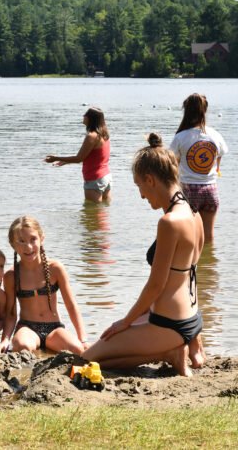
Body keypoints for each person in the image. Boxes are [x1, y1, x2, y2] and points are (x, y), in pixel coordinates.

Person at [83, 134, 205, 376]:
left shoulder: (169, 222)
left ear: (150, 180)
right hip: (190, 318)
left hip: (169, 325)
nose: (141, 195)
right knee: (107, 340)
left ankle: (168, 352)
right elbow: (190, 275)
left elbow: (156, 286)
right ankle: (175, 347)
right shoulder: (194, 213)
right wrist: (194, 333)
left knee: (85, 360)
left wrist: (126, 322)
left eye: (139, 186)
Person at [0, 216, 87, 354]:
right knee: (22, 346)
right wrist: (5, 339)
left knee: (77, 350)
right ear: (12, 245)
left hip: (54, 328)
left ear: (42, 238)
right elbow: (11, 315)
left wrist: (83, 339)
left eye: (33, 239)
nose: (28, 247)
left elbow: (71, 306)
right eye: (21, 241)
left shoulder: (55, 269)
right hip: (27, 328)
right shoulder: (11, 275)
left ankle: (45, 352)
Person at [170, 93, 228, 243]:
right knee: (208, 235)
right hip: (211, 190)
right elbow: (219, 157)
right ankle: (208, 264)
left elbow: (171, 163)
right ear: (204, 111)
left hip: (188, 190)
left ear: (186, 111)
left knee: (189, 236)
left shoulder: (180, 137)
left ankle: (191, 265)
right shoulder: (215, 135)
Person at [44, 107, 112, 203]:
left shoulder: (91, 136)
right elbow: (93, 157)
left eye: (85, 114)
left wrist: (55, 158)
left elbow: (79, 158)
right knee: (104, 212)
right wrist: (65, 161)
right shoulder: (104, 135)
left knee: (92, 213)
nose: (83, 116)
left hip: (94, 179)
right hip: (106, 177)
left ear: (90, 118)